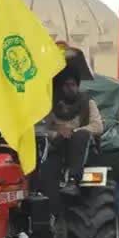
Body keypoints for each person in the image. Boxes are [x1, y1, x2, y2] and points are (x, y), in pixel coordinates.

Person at [40, 68, 104, 198]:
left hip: (83, 153)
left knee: (81, 135)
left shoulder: (88, 103)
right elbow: (43, 129)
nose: (70, 88)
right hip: (57, 148)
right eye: (66, 85)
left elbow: (97, 126)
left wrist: (73, 131)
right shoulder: (50, 105)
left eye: (73, 85)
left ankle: (73, 180)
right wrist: (58, 131)